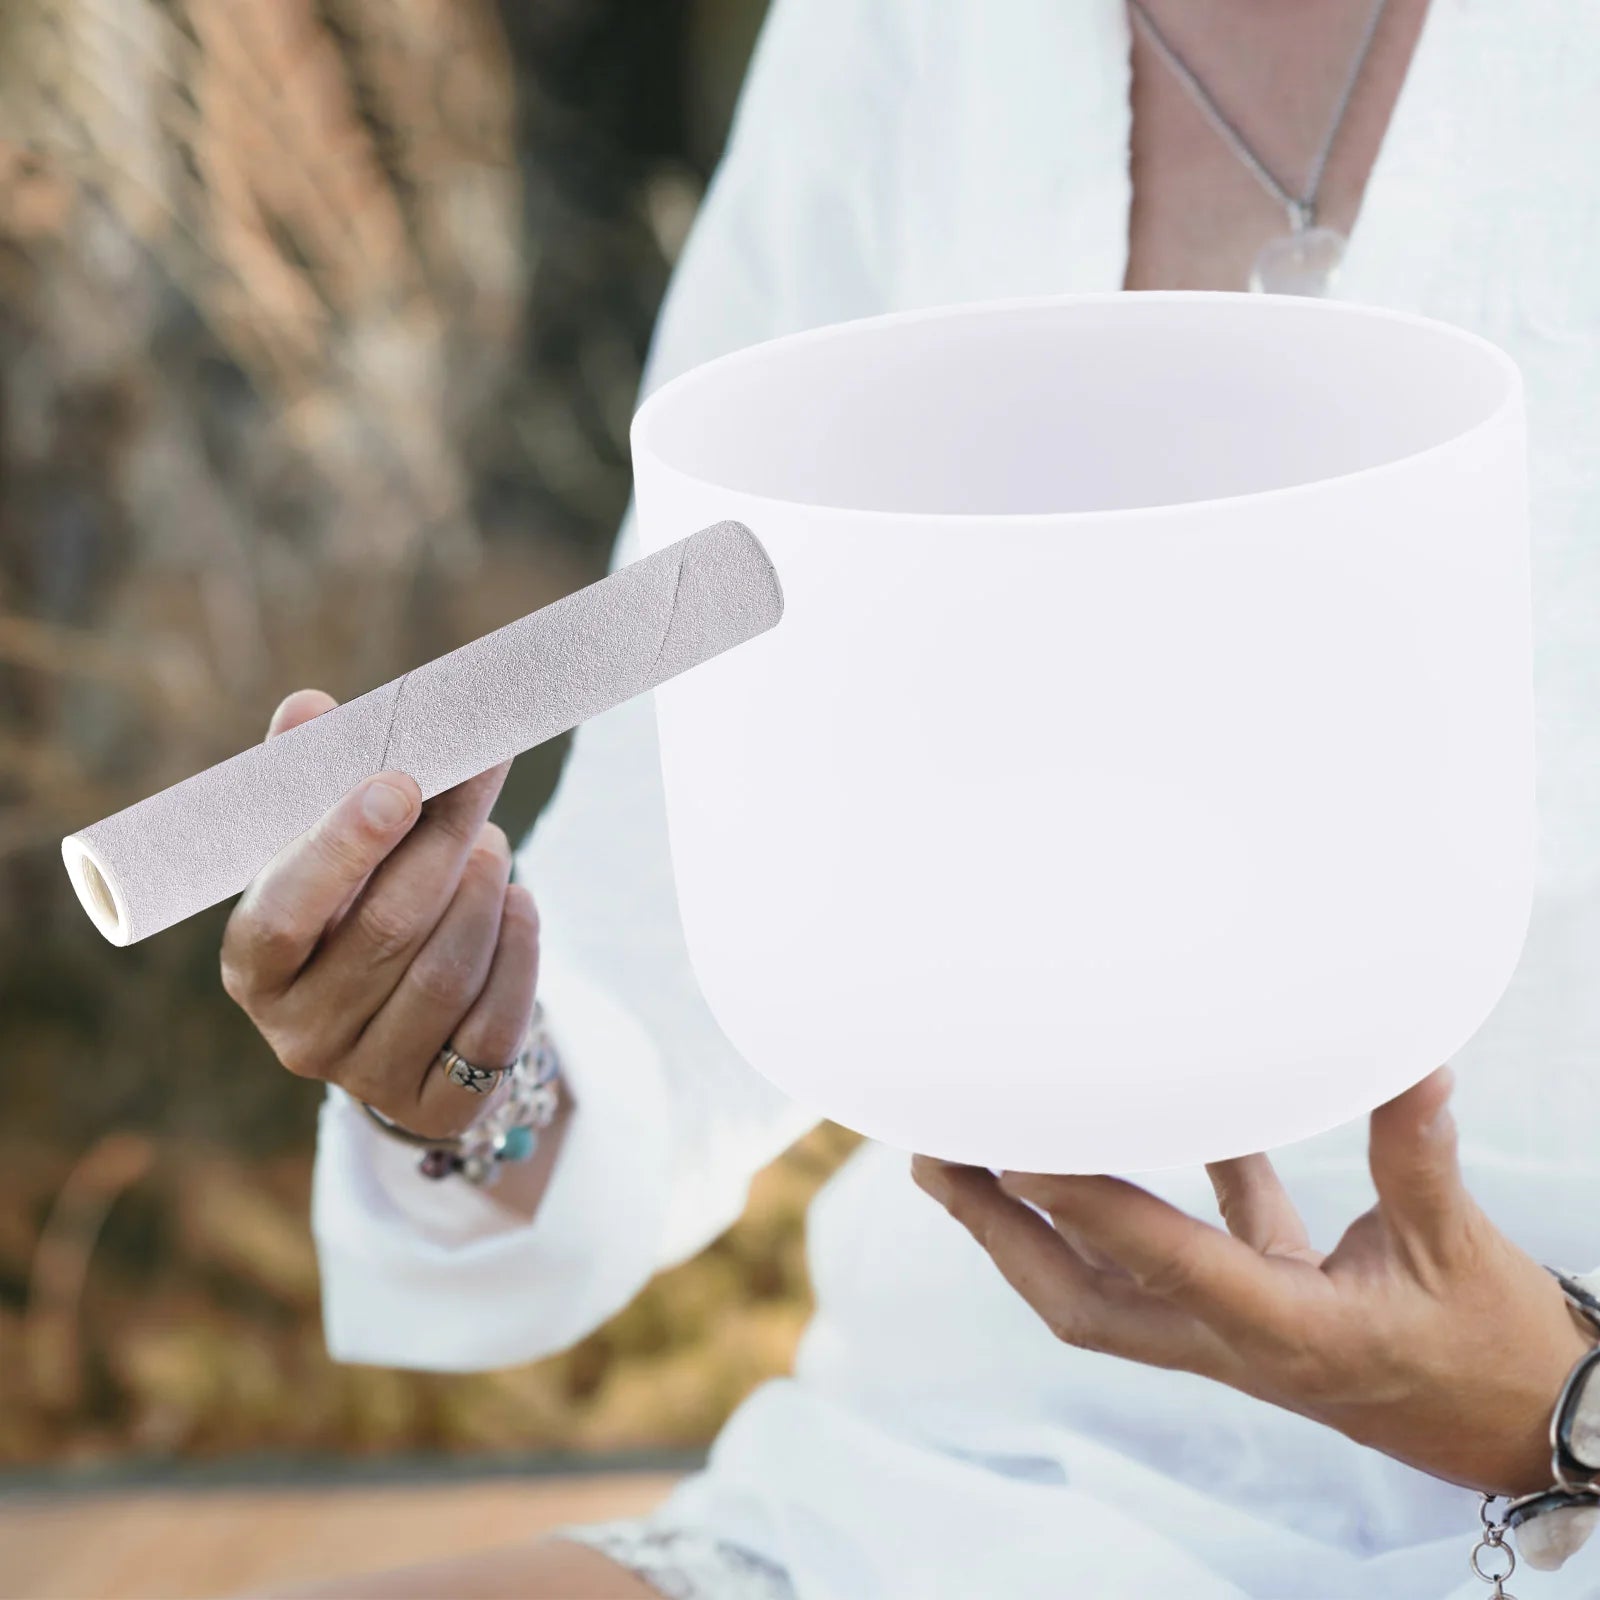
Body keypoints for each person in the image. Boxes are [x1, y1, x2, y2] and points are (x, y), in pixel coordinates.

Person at [220, 0, 1600, 1594]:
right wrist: (465, 1074)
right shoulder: (903, 32)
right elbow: (653, 958)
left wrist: (1549, 1399)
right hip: (960, 1486)